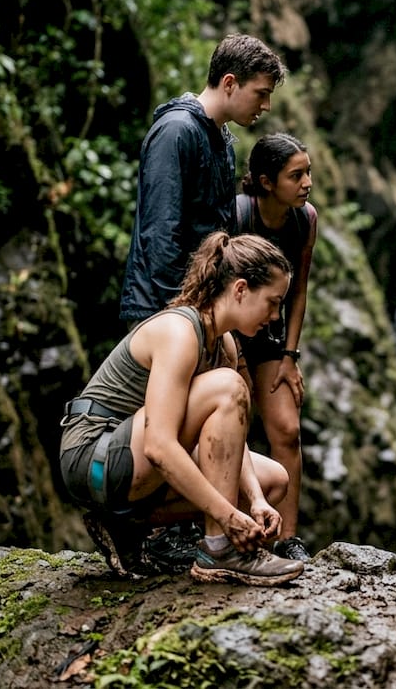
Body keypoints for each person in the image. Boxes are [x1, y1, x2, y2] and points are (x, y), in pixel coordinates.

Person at [60, 232, 305, 586]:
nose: (275, 316)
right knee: (228, 386)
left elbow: (228, 444)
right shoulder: (180, 332)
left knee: (273, 482)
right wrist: (227, 516)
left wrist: (253, 502)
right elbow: (159, 446)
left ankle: (127, 527)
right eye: (272, 302)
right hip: (93, 457)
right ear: (240, 289)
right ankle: (219, 548)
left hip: (129, 461)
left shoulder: (224, 345)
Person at [119, 33, 286, 324]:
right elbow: (161, 231)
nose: (267, 105)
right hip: (163, 310)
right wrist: (182, 310)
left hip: (200, 306)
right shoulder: (176, 131)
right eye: (261, 93)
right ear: (230, 83)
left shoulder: (221, 140)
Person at [230, 133, 319, 562]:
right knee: (231, 427)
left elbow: (299, 290)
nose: (307, 183)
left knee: (286, 428)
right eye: (296, 175)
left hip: (270, 334)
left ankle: (289, 538)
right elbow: (220, 289)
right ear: (267, 182)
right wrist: (235, 360)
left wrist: (290, 355)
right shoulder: (238, 214)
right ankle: (226, 528)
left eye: (308, 173)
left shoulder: (305, 219)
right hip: (228, 334)